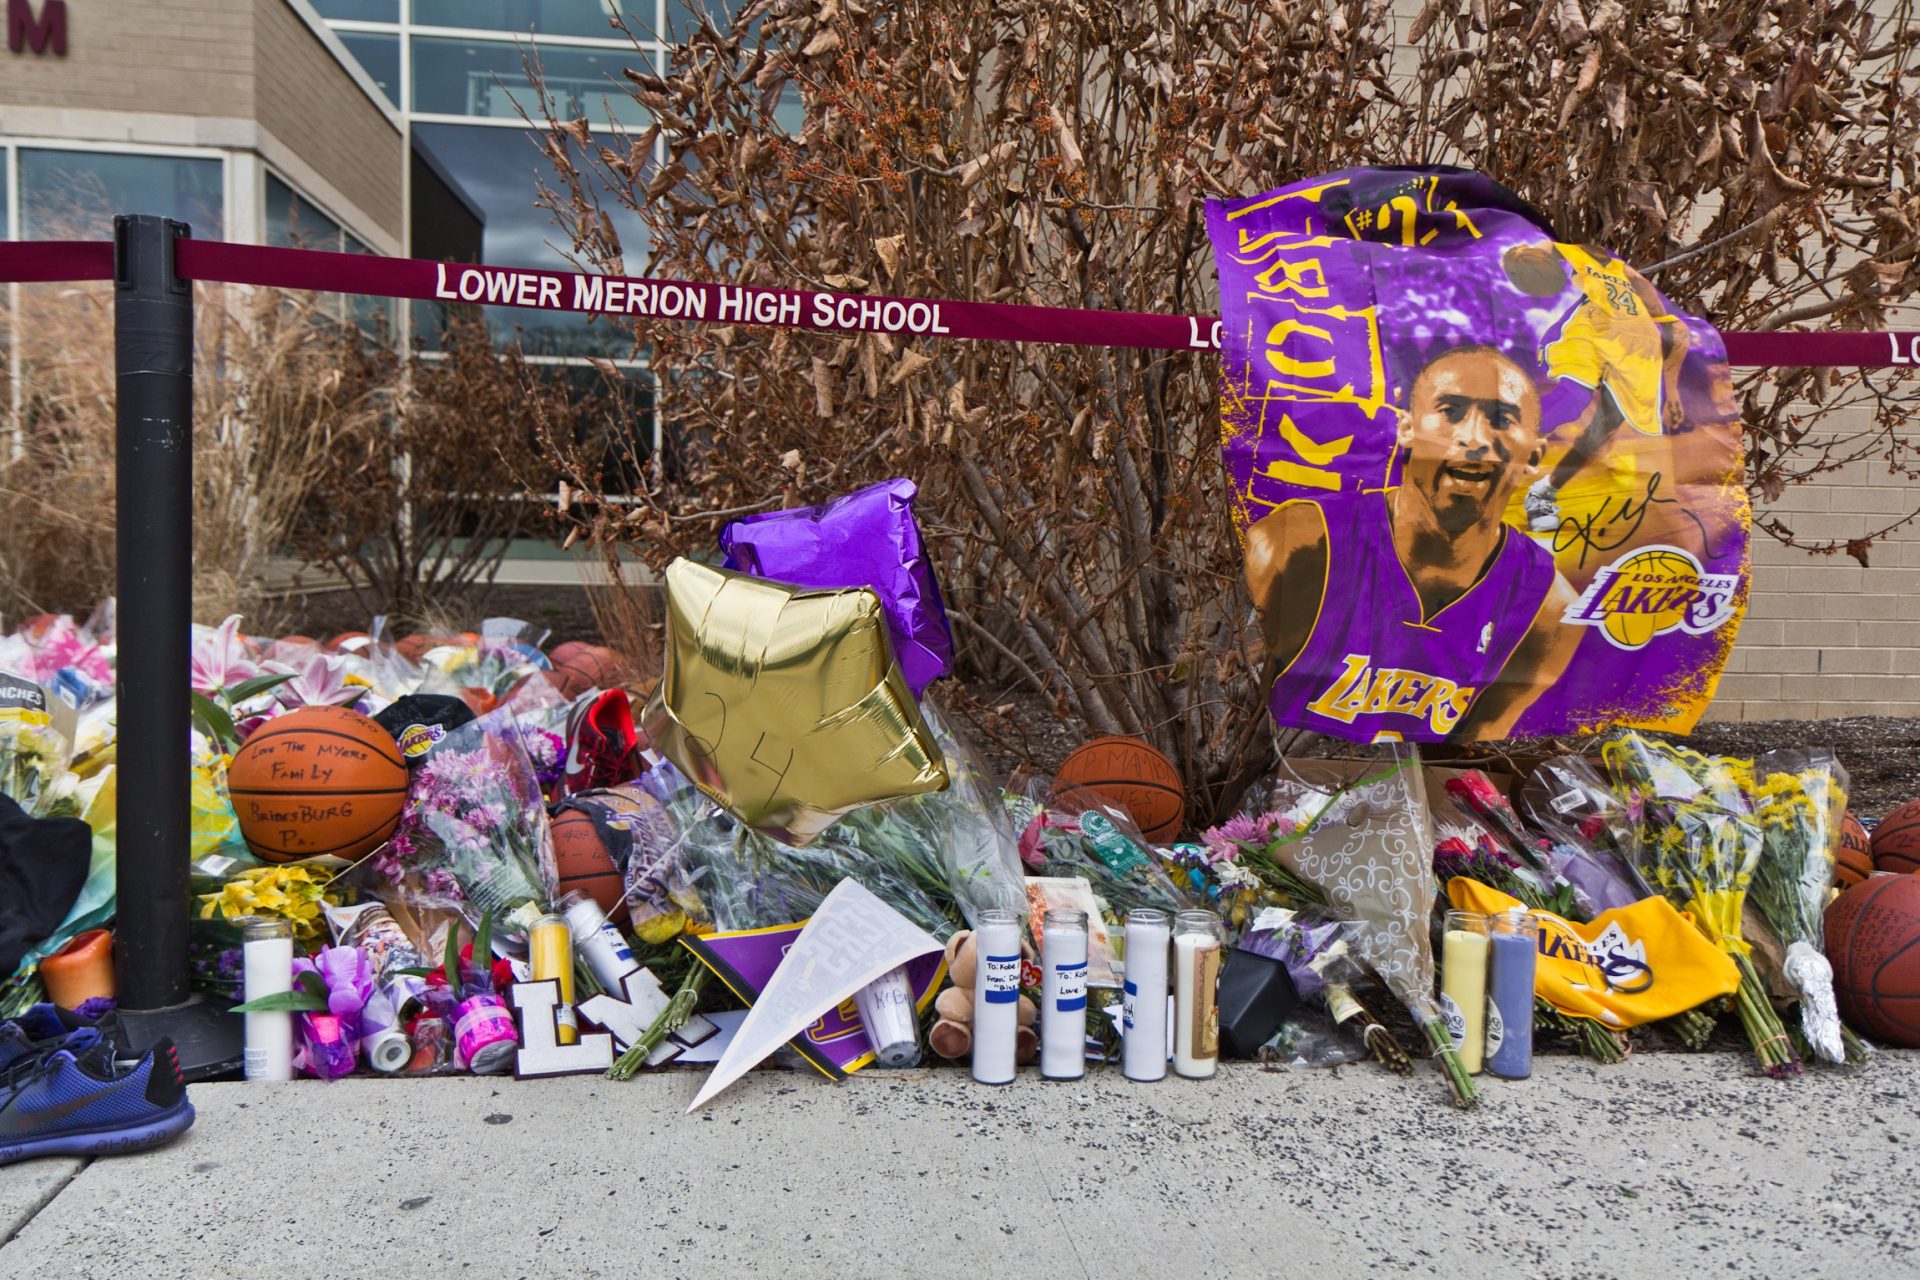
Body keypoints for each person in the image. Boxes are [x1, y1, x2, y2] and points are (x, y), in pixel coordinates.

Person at [1241, 344, 1581, 741]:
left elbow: (1474, 750)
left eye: (1502, 419)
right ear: (1406, 428)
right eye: (1450, 411)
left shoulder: (1549, 607)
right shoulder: (1296, 544)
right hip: (1283, 772)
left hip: (1414, 780)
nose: (1474, 439)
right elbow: (1242, 706)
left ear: (1535, 456)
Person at [1500, 241, 1691, 532]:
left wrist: (1672, 391)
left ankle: (1542, 494)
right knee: (1571, 401)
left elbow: (1670, 331)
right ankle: (1502, 445)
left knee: (1603, 431)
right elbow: (1545, 246)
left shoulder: (1667, 323)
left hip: (1632, 350)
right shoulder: (1589, 258)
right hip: (1588, 330)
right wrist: (1519, 256)